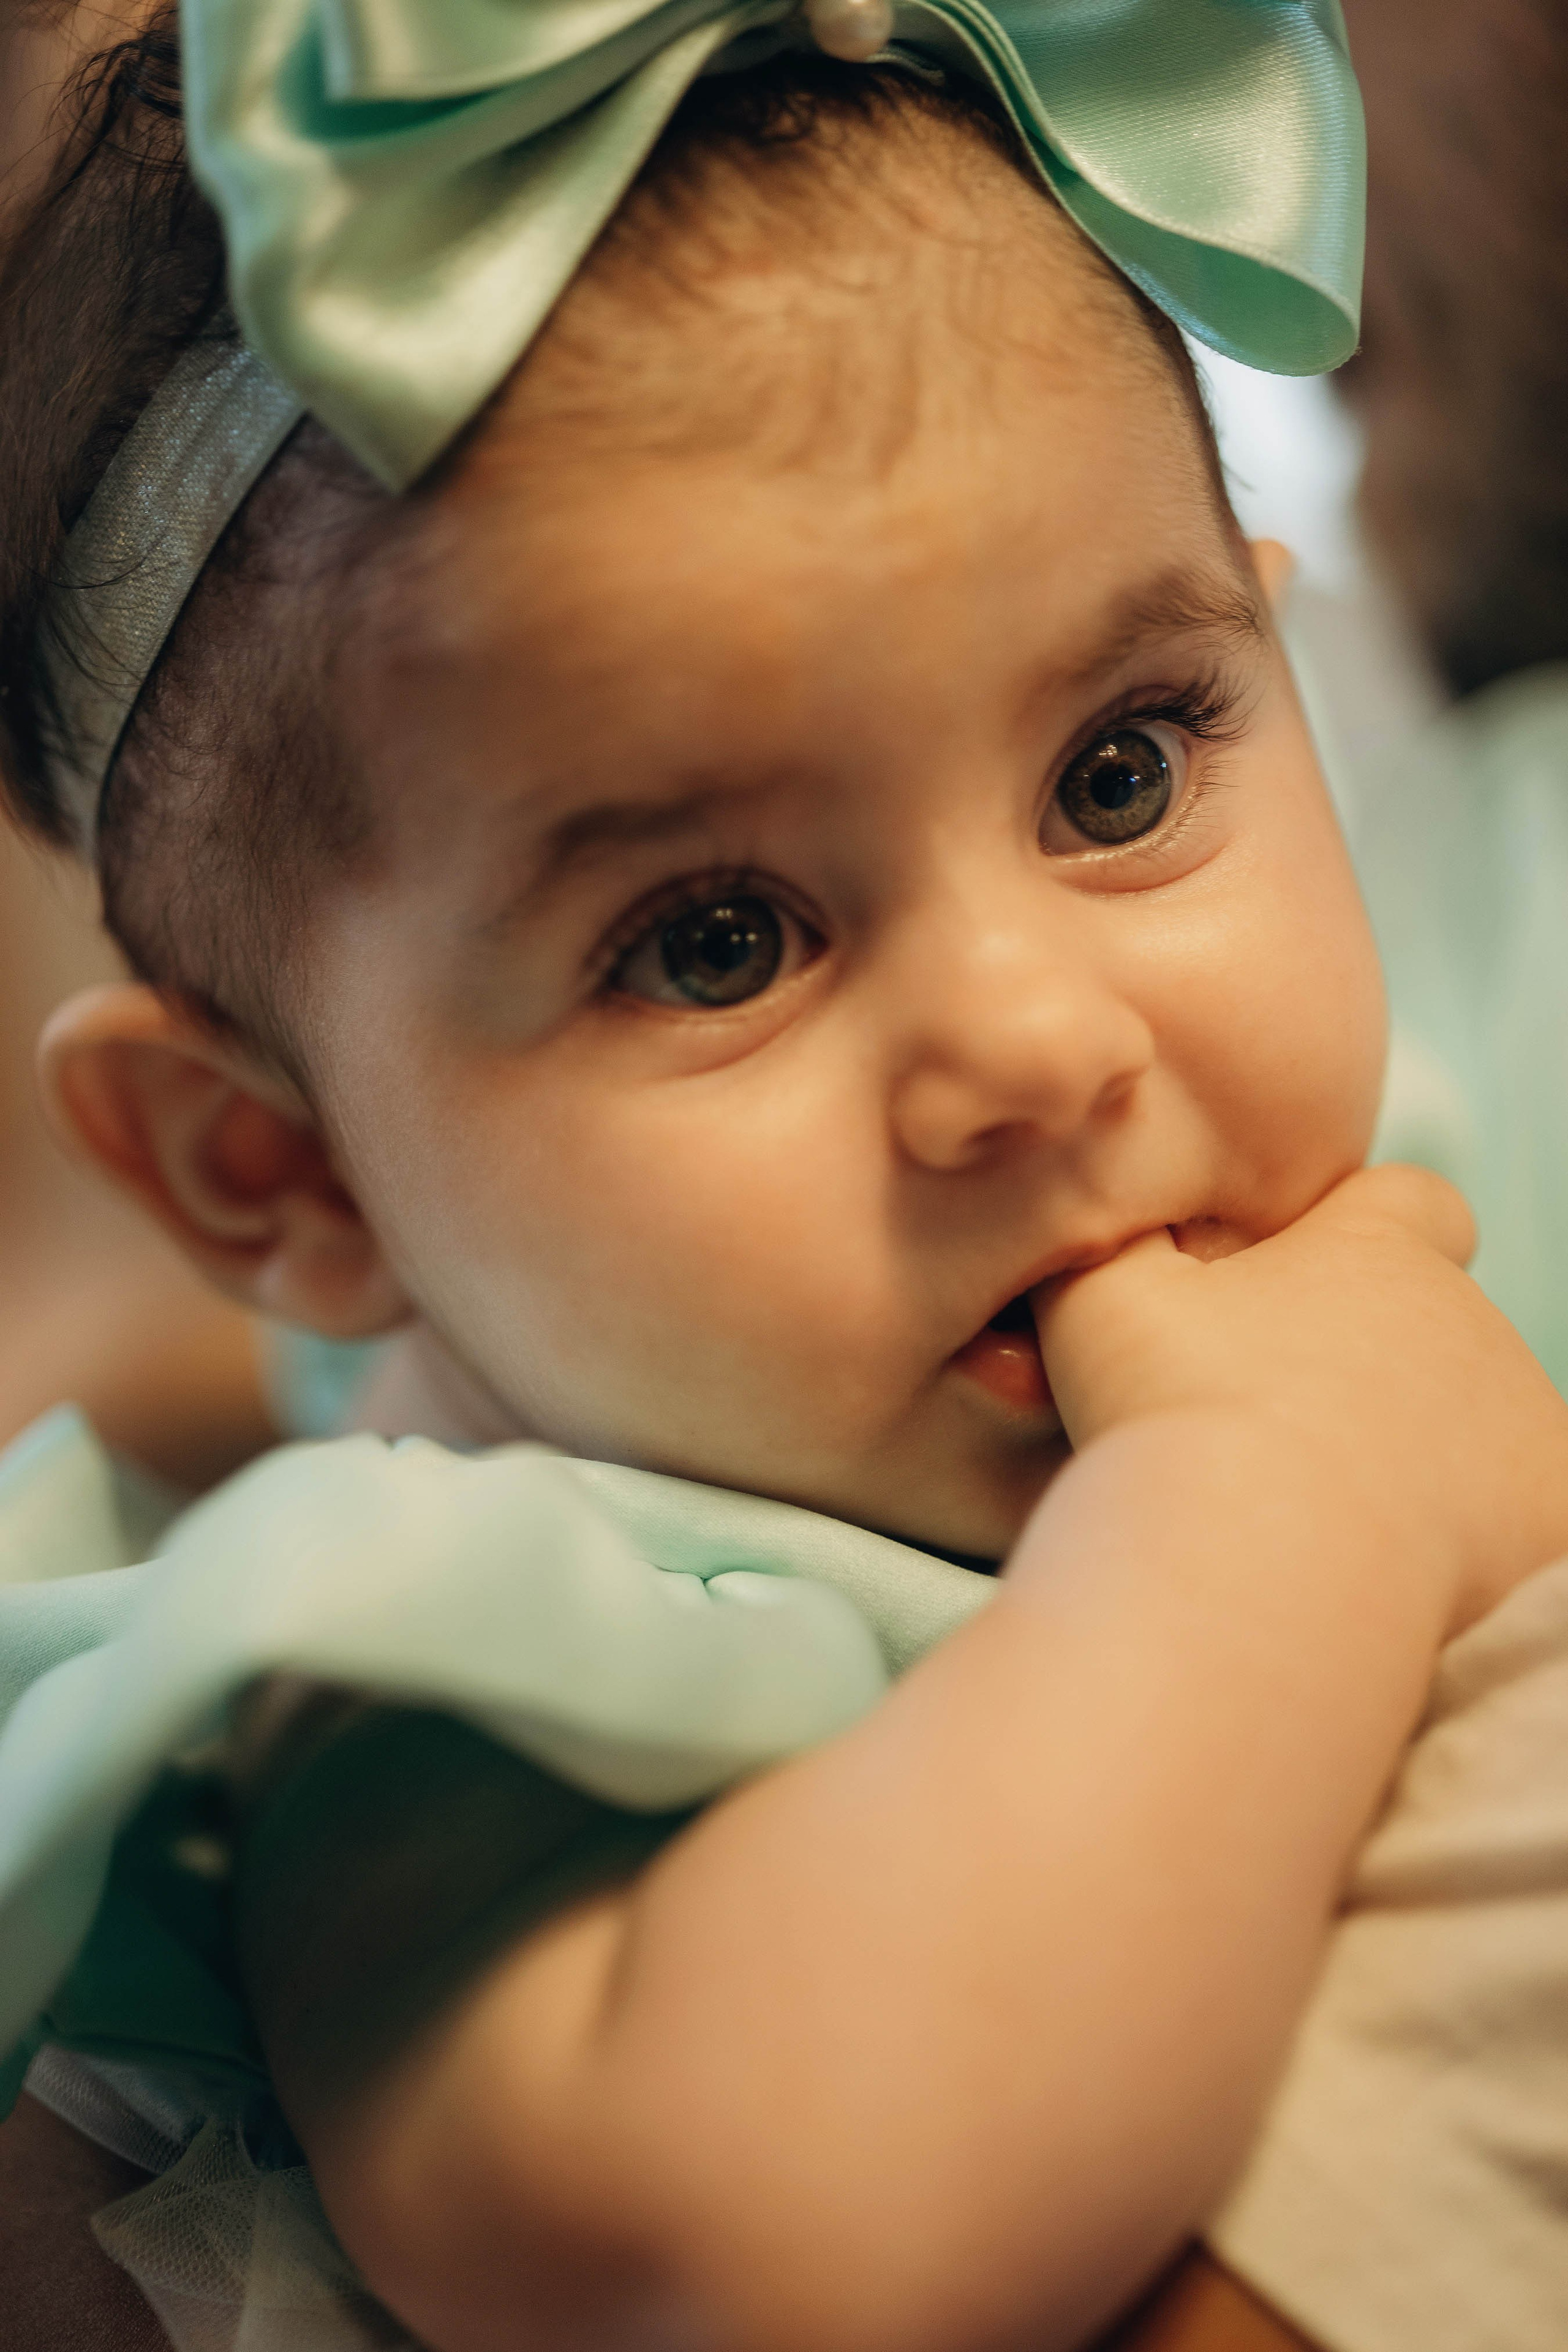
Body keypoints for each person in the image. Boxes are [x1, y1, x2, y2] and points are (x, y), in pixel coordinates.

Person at [2, 5, 1566, 2349]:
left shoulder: (1402, 1162)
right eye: (716, 941)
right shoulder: (444, 1638)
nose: (1037, 1045)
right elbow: (742, 2249)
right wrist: (1283, 1494)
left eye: (1122, 777)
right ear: (283, 1169)